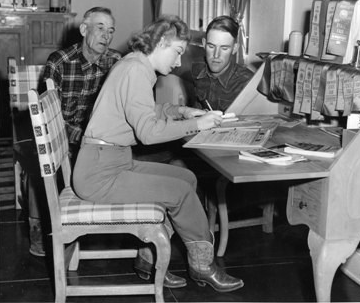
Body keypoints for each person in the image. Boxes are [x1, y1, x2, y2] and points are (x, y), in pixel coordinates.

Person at [73, 15, 244, 292]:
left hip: (111, 161)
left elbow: (144, 112)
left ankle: (149, 258)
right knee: (181, 192)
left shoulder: (135, 65)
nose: (178, 62)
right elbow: (148, 133)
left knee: (185, 178)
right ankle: (203, 266)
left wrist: (183, 112)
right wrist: (198, 124)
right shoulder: (135, 70)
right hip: (99, 173)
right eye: (177, 52)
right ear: (162, 42)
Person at [28, 7, 121, 257]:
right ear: (84, 29)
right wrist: (77, 136)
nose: (106, 35)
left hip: (98, 141)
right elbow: (49, 117)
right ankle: (38, 227)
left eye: (111, 30)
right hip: (62, 136)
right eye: (100, 28)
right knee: (41, 164)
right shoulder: (59, 61)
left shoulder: (116, 62)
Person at [192, 15, 254, 111]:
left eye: (224, 48)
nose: (216, 55)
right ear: (204, 44)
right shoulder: (196, 71)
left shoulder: (247, 83)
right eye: (211, 46)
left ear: (234, 49)